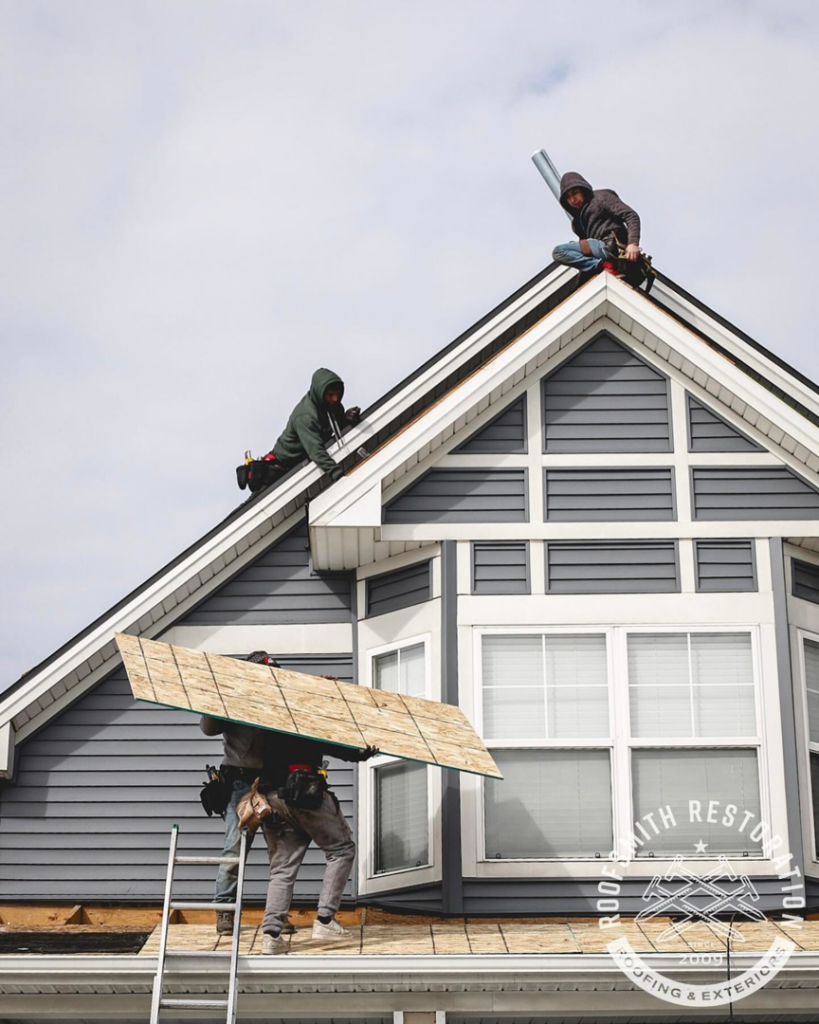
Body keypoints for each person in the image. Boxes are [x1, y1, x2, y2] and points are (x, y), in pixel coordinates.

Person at [199, 650, 295, 936]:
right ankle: (225, 911)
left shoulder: (277, 705)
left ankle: (277, 916)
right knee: (235, 847)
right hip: (241, 784)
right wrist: (219, 695)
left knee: (282, 852)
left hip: (275, 783)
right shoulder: (232, 700)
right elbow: (208, 727)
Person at [258, 733, 377, 955]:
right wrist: (361, 752)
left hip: (271, 797)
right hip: (302, 790)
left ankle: (271, 936)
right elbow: (331, 742)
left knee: (282, 870)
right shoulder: (304, 715)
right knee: (341, 850)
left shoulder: (267, 717)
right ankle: (324, 920)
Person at [264, 368, 360, 484]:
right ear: (319, 392)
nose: (335, 398)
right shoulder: (305, 416)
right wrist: (340, 477)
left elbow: (338, 429)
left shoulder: (333, 407)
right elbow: (316, 452)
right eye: (330, 394)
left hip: (301, 461)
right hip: (280, 470)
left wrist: (347, 420)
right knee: (257, 501)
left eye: (337, 394)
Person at [552, 171, 641, 276]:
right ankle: (602, 268)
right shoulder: (576, 223)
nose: (572, 199)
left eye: (575, 193)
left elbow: (631, 215)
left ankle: (601, 266)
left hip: (611, 245)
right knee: (571, 249)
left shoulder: (600, 197)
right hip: (598, 252)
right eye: (568, 197)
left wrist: (633, 244)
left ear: (583, 190)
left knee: (559, 251)